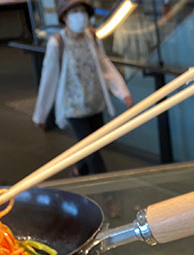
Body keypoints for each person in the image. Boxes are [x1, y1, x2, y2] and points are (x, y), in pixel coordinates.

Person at [32, 0, 134, 176]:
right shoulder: (57, 43)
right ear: (64, 17)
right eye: (75, 11)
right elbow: (49, 79)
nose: (80, 16)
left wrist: (122, 92)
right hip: (74, 107)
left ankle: (80, 169)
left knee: (90, 145)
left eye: (83, 11)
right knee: (92, 150)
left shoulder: (92, 37)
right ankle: (106, 193)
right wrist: (41, 115)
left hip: (95, 103)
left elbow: (104, 66)